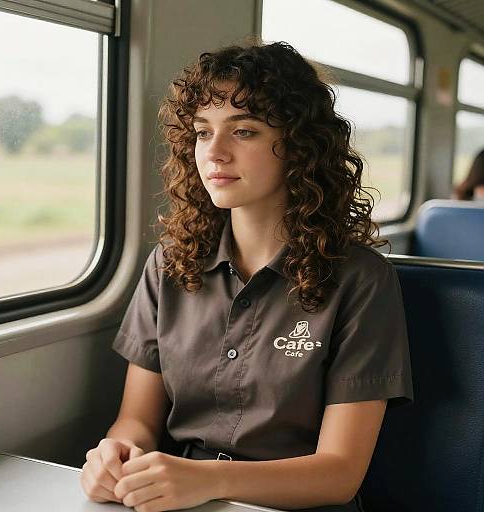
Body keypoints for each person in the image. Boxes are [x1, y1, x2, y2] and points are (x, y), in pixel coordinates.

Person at [80, 41, 413, 512]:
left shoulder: (362, 280)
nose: (214, 153)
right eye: (201, 132)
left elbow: (339, 473)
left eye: (244, 132)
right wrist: (115, 456)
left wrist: (205, 479)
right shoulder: (169, 265)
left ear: (299, 146)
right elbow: (136, 421)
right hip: (183, 496)